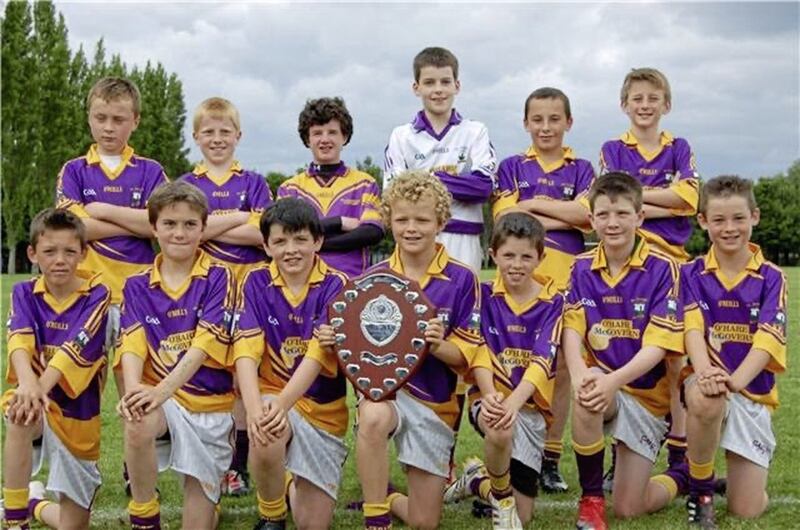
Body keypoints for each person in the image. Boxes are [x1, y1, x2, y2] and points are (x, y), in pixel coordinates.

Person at [356, 171, 485, 530]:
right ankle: (376, 517)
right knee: (373, 415)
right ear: (389, 221)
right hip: (388, 395)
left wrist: (438, 345)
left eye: (422, 219)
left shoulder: (463, 279)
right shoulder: (372, 279)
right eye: (402, 219)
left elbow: (468, 357)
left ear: (441, 222)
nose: (411, 228)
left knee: (423, 522)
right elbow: (355, 354)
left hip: (435, 403)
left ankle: (391, 496)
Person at [562, 172, 684, 529]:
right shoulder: (581, 267)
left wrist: (611, 381)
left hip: (647, 397)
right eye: (603, 215)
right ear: (591, 220)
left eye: (621, 214)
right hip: (606, 387)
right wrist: (580, 375)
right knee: (586, 390)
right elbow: (572, 328)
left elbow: (659, 346)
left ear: (639, 217)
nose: (612, 223)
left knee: (632, 508)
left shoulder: (664, 269)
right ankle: (592, 499)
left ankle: (680, 477)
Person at [599, 67, 700, 494]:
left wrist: (636, 200)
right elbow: (610, 197)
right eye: (636, 98)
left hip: (672, 262)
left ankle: (679, 447)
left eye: (652, 98)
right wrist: (662, 201)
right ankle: (618, 455)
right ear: (625, 104)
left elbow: (690, 200)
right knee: (618, 352)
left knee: (675, 356)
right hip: (626, 263)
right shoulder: (611, 147)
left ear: (666, 104)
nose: (644, 106)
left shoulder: (679, 146)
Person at [115, 181, 236, 530]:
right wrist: (138, 392)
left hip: (210, 408)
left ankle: (208, 507)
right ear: (154, 228)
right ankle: (145, 516)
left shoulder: (220, 276)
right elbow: (133, 343)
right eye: (169, 224)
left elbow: (204, 344)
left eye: (189, 225)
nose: (179, 233)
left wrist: (158, 391)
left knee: (197, 523)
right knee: (136, 419)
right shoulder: (136, 284)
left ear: (203, 229)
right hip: (162, 403)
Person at [492, 86, 595, 492]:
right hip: (519, 281)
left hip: (566, 277)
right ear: (526, 123)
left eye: (555, 119)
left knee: (565, 368)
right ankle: (511, 450)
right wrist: (559, 213)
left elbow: (587, 216)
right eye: (538, 119)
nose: (546, 127)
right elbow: (504, 217)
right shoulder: (511, 165)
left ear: (569, 122)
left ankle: (551, 457)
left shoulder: (583, 168)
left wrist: (532, 206)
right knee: (512, 359)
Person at [234, 197, 349, 530]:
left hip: (323, 409)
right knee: (267, 427)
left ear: (318, 241)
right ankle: (271, 514)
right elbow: (246, 351)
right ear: (266, 246)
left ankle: (287, 483)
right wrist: (255, 410)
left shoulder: (337, 285)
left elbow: (318, 353)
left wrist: (283, 405)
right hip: (273, 393)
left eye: (300, 239)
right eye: (280, 241)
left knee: (313, 525)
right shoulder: (255, 281)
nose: (291, 249)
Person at [444, 212, 564, 529]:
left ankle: (476, 482)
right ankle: (502, 498)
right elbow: (477, 348)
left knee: (524, 516)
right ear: (492, 254)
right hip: (490, 399)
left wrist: (515, 403)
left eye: (526, 256)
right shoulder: (482, 295)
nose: (516, 264)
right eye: (508, 255)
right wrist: (493, 397)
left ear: (541, 258)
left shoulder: (555, 302)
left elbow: (543, 360)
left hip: (531, 407)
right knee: (498, 425)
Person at [681, 176, 787, 529]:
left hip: (749, 389)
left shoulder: (772, 277)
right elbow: (692, 328)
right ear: (703, 222)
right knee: (706, 398)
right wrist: (707, 373)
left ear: (754, 217)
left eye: (739, 218)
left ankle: (738, 486)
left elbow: (768, 340)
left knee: (747, 510)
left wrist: (734, 382)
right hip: (706, 381)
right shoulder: (691, 273)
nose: (730, 228)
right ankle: (700, 492)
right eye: (719, 220)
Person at [180, 96, 272, 497]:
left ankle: (238, 467)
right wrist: (239, 217)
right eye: (209, 132)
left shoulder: (253, 182)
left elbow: (263, 234)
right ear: (196, 136)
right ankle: (212, 461)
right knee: (211, 374)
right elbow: (182, 232)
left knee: (242, 375)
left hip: (250, 290)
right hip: (205, 292)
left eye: (225, 131)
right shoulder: (186, 184)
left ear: (238, 135)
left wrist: (211, 224)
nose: (217, 139)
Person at [2, 209, 110, 530]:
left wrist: (37, 387)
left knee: (72, 525)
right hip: (36, 401)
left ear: (84, 253)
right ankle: (15, 518)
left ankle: (35, 504)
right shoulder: (24, 292)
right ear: (33, 254)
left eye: (69, 251)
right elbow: (19, 340)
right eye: (49, 251)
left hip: (78, 413)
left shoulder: (97, 294)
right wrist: (27, 386)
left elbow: (70, 351)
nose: (59, 259)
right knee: (19, 412)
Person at [383, 46, 496, 272]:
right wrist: (460, 181)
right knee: (415, 305)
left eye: (445, 82)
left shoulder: (475, 131)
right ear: (416, 88)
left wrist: (428, 178)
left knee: (464, 304)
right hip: (415, 238)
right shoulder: (401, 136)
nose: (438, 90)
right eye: (429, 82)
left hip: (464, 236)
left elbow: (484, 187)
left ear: (457, 85)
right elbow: (394, 195)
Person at [278, 97, 383, 278]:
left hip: (352, 283)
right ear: (307, 139)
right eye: (317, 133)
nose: (325, 139)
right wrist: (339, 222)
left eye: (332, 132)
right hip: (302, 283)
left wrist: (307, 241)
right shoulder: (290, 188)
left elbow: (372, 232)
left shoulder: (365, 183)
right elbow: (285, 235)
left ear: (344, 136)